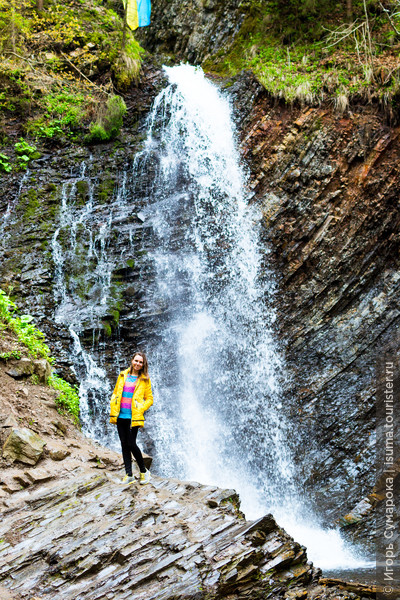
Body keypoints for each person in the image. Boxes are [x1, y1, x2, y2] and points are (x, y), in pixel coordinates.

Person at [109, 351, 153, 485]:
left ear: (143, 364)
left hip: (133, 417)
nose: (138, 364)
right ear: (132, 360)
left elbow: (149, 399)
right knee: (124, 444)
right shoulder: (123, 375)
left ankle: (144, 472)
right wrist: (113, 401)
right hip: (120, 415)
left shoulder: (145, 379)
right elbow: (116, 392)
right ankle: (128, 474)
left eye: (141, 362)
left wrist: (141, 407)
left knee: (131, 443)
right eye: (136, 361)